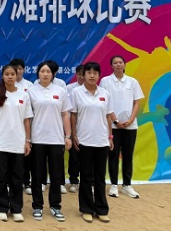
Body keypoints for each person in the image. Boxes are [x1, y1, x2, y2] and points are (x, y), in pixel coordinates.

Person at [28, 60, 72, 222]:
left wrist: (68, 136)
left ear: (53, 74)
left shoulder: (60, 91)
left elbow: (65, 114)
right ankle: (37, 206)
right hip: (37, 138)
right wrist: (27, 139)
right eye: (42, 71)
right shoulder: (31, 91)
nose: (45, 74)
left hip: (56, 139)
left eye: (48, 72)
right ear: (38, 73)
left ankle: (55, 206)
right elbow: (27, 117)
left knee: (56, 175)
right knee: (37, 174)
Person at [70, 61, 114, 223]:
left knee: (100, 177)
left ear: (99, 75)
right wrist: (73, 134)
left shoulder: (105, 94)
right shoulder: (76, 93)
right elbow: (73, 115)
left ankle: (101, 209)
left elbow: (108, 116)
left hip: (102, 140)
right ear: (84, 75)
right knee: (86, 176)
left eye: (95, 73)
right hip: (84, 140)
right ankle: (87, 209)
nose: (92, 75)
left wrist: (110, 137)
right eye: (89, 72)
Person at [0, 64, 33, 222]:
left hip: (18, 142)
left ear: (17, 75)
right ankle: (0, 207)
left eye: (12, 74)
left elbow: (26, 121)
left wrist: (27, 141)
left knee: (17, 177)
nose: (10, 76)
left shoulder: (24, 95)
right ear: (2, 76)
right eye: (6, 74)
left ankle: (16, 208)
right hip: (0, 141)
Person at [100, 55, 144, 199]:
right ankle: (113, 184)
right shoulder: (105, 81)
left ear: (125, 65)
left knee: (128, 155)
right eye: (115, 63)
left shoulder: (132, 81)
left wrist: (131, 120)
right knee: (113, 155)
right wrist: (115, 121)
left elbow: (137, 102)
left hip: (130, 126)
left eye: (120, 62)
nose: (118, 65)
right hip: (113, 126)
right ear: (111, 66)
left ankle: (127, 185)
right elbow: (105, 103)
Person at [9, 58, 34, 195]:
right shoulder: (6, 85)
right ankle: (10, 181)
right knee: (10, 156)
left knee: (26, 156)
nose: (17, 71)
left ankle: (26, 181)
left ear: (23, 70)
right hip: (10, 126)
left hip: (25, 124)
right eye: (15, 69)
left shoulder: (29, 86)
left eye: (19, 68)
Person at [66, 65, 85, 193]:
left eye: (84, 74)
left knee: (87, 157)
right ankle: (74, 181)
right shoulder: (70, 88)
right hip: (73, 126)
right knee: (74, 156)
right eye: (79, 74)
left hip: (87, 128)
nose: (81, 77)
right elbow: (68, 110)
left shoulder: (95, 89)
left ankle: (87, 181)